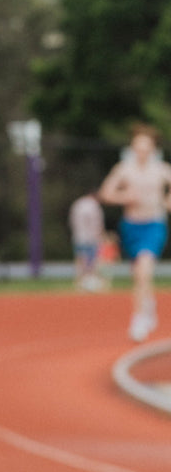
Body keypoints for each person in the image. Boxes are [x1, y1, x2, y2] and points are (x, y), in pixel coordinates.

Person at [97, 123, 171, 341]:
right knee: (138, 275)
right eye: (138, 148)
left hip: (154, 224)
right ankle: (147, 304)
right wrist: (124, 197)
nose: (142, 152)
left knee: (144, 270)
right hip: (131, 226)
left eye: (146, 148)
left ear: (153, 148)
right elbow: (105, 193)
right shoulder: (124, 169)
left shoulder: (161, 169)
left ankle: (138, 318)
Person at [67, 190, 105, 292]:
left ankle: (79, 283)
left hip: (78, 236)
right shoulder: (93, 206)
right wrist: (99, 236)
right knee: (91, 262)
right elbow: (96, 223)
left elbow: (72, 220)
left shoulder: (78, 203)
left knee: (80, 261)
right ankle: (90, 282)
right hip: (90, 238)